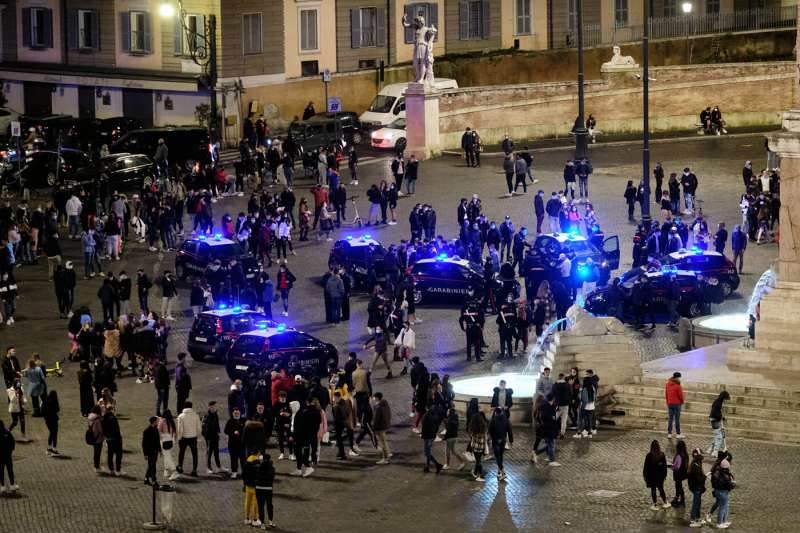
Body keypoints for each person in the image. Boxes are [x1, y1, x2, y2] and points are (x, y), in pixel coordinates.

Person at [531, 394, 560, 466]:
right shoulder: (546, 408)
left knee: (549, 445)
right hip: (547, 429)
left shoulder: (548, 407)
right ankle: (552, 460)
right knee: (551, 444)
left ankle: (537, 453)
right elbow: (548, 419)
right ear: (553, 399)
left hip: (547, 429)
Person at [643, 439, 671, 510]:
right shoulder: (662, 455)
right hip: (660, 476)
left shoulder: (649, 455)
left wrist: (645, 476)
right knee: (661, 489)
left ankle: (655, 504)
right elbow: (664, 466)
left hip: (652, 476)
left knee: (653, 489)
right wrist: (665, 475)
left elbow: (646, 467)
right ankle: (665, 502)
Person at [177, 400, 201, 477]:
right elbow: (199, 428)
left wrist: (179, 437)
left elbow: (180, 429)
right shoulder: (196, 415)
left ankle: (180, 467)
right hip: (193, 437)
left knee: (181, 453)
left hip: (184, 438)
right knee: (194, 454)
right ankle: (194, 470)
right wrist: (198, 437)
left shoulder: (181, 416)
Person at [488, 407, 512, 481]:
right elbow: (510, 431)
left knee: (497, 457)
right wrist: (511, 441)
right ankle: (499, 472)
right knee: (500, 456)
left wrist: (491, 438)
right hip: (503, 440)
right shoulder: (506, 420)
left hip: (496, 440)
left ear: (495, 413)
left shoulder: (493, 420)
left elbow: (490, 431)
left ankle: (503, 472)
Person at [710, 458, 735, 528]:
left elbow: (713, 482)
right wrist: (733, 484)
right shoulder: (725, 475)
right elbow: (729, 485)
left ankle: (724, 521)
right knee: (722, 507)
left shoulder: (717, 472)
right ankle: (719, 523)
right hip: (723, 492)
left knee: (725, 506)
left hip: (718, 491)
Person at [255, 453, 276, 528]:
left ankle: (262, 524)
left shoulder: (258, 467)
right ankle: (271, 521)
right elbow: (272, 478)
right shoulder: (272, 468)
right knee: (269, 506)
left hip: (259, 488)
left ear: (263, 458)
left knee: (261, 507)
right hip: (268, 489)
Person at [687, 448, 707, 527]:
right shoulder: (695, 466)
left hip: (697, 487)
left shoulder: (696, 464)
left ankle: (697, 518)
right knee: (696, 504)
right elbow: (698, 479)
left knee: (698, 503)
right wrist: (705, 477)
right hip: (696, 487)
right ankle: (693, 519)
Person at [706, 391, 730, 456]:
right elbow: (714, 412)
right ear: (723, 397)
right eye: (726, 399)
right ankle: (715, 452)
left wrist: (722, 417)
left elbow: (718, 411)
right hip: (715, 420)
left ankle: (710, 449)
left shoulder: (718, 401)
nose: (726, 401)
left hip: (715, 419)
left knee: (717, 435)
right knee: (719, 437)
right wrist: (720, 417)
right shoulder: (718, 403)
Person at [102, 409, 124, 476]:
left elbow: (103, 429)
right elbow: (116, 430)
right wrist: (119, 438)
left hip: (109, 439)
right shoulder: (113, 418)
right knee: (118, 454)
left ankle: (111, 469)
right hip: (116, 439)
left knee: (110, 454)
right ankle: (118, 470)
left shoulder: (103, 419)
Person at [158, 410, 179, 481]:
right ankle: (166, 470)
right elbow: (175, 433)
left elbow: (159, 431)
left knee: (167, 456)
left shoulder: (162, 421)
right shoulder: (172, 421)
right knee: (167, 455)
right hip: (171, 440)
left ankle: (174, 471)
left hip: (164, 440)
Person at [202, 401, 222, 475]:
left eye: (215, 406)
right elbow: (204, 428)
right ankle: (208, 468)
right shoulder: (207, 415)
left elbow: (216, 424)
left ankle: (219, 467)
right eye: (213, 406)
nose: (214, 408)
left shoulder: (215, 414)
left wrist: (218, 432)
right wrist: (207, 437)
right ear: (209, 407)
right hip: (210, 437)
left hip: (215, 436)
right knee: (209, 453)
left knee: (216, 452)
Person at [468, 410, 488, 482]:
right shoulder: (484, 427)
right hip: (482, 447)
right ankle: (475, 472)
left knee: (478, 461)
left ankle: (481, 476)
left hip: (475, 447)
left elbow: (471, 436)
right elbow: (486, 437)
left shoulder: (473, 428)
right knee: (478, 460)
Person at [142, 416, 161, 486]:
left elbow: (158, 440)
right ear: (154, 422)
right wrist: (145, 454)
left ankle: (146, 479)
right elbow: (144, 444)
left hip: (155, 451)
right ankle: (154, 480)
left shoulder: (156, 429)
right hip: (150, 451)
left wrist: (160, 450)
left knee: (151, 465)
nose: (158, 422)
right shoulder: (146, 431)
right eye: (157, 421)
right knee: (153, 466)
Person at [665, 371, 685, 439]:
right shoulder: (678, 386)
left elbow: (666, 394)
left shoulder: (667, 384)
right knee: (677, 419)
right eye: (679, 378)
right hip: (677, 404)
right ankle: (678, 433)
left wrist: (668, 402)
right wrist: (682, 401)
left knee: (670, 419)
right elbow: (681, 396)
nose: (679, 379)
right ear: (676, 377)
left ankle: (669, 433)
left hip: (670, 403)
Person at [42, 390, 60, 456]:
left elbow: (42, 411)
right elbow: (57, 409)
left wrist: (45, 417)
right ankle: (54, 449)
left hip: (47, 420)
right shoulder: (54, 401)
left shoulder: (45, 401)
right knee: (54, 434)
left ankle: (49, 448)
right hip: (54, 420)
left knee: (51, 433)